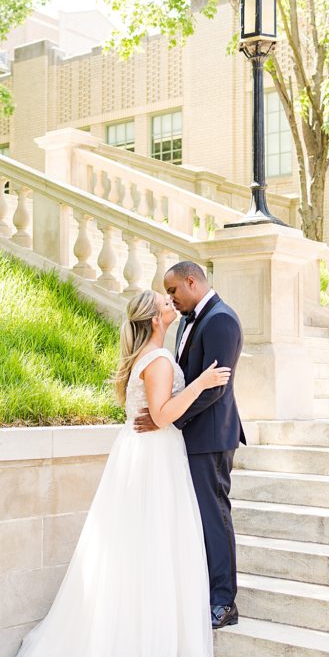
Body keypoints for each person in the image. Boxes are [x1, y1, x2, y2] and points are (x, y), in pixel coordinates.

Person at [0, 289, 230, 657]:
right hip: (152, 460)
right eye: (164, 303)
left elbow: (155, 414)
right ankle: (135, 645)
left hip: (142, 456)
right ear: (154, 319)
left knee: (144, 548)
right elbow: (165, 414)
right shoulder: (157, 360)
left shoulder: (146, 356)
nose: (172, 305)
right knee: (150, 546)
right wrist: (202, 383)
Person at [135, 261, 245, 630]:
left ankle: (224, 602)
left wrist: (166, 417)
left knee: (214, 517)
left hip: (212, 436)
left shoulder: (221, 320)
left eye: (173, 291)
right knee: (196, 518)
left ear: (191, 281)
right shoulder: (186, 319)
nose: (170, 298)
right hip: (189, 435)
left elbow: (216, 386)